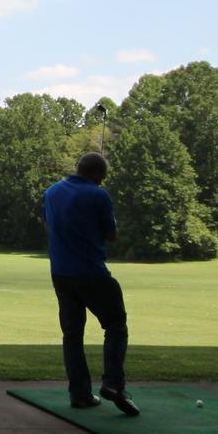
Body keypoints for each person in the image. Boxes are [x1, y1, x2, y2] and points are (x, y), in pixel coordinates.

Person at [41, 151, 139, 416]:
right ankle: (113, 384)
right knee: (116, 326)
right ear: (98, 174)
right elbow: (111, 235)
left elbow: (50, 227)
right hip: (91, 273)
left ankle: (80, 395)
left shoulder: (51, 192)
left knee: (72, 335)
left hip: (60, 274)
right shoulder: (98, 195)